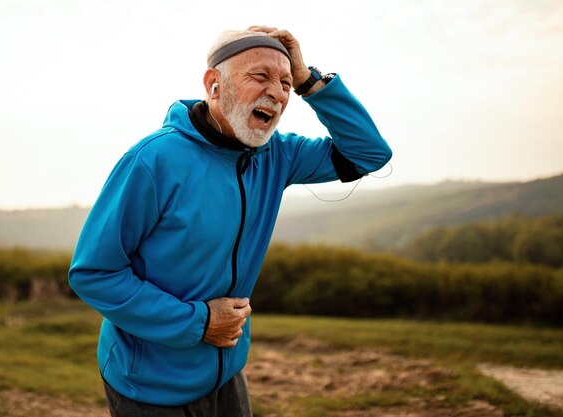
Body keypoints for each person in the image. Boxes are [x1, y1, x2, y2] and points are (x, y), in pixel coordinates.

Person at [69, 25, 392, 417]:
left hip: (226, 373)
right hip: (148, 384)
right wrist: (199, 323)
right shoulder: (154, 161)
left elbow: (369, 154)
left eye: (286, 84)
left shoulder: (277, 156)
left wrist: (309, 79)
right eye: (260, 76)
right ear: (214, 85)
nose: (277, 92)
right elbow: (94, 273)